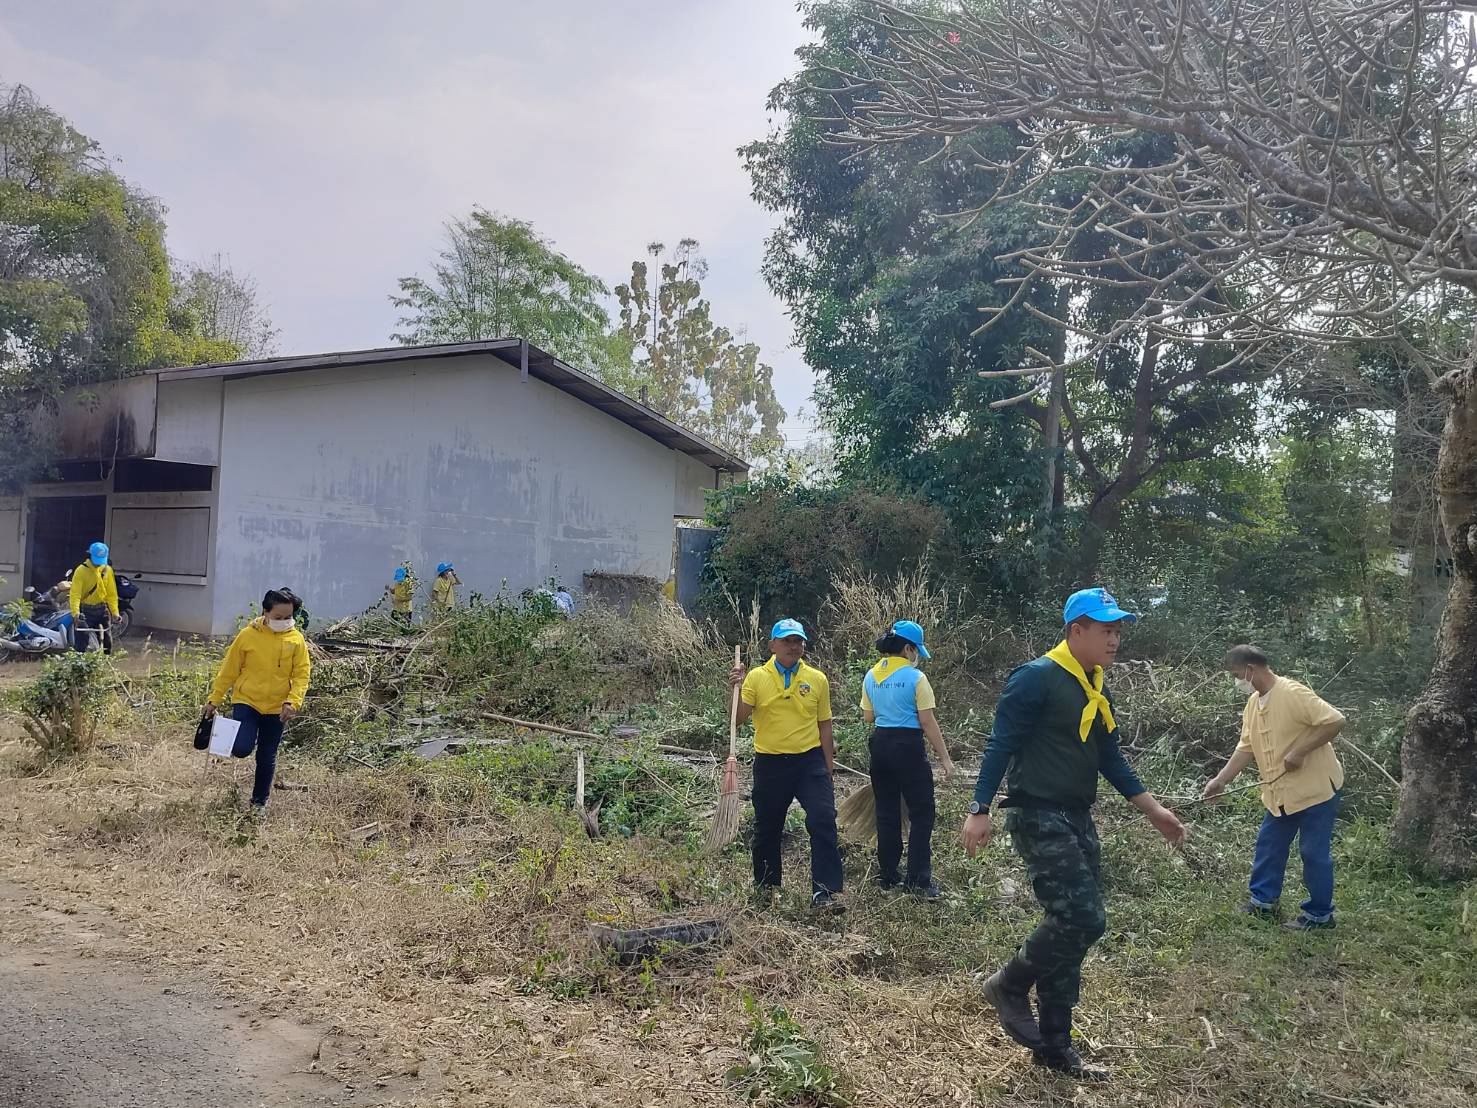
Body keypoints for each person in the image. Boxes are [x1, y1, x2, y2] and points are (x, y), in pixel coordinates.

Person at [961, 587, 1186, 1079]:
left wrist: (1154, 811)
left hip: (1078, 817)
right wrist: (980, 808)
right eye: (1106, 629)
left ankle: (1055, 1047)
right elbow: (1001, 745)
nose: (1115, 639)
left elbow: (1110, 758)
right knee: (1084, 917)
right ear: (1076, 630)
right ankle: (1008, 984)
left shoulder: (1094, 686)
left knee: (1068, 929)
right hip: (1038, 814)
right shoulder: (1036, 677)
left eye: (1118, 630)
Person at [1202, 644, 1346, 931]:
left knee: (1313, 852)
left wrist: (1300, 752)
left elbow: (1335, 720)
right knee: (1269, 845)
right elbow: (1245, 747)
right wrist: (1220, 781)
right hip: (1280, 793)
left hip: (1316, 790)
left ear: (1250, 669)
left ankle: (1319, 915)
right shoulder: (1253, 704)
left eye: (1237, 675)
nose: (1237, 682)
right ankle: (1263, 903)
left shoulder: (1292, 693)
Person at [730, 618, 843, 910]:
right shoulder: (757, 677)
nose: (794, 646)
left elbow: (825, 724)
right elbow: (738, 718)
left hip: (809, 761)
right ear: (772, 645)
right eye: (787, 640)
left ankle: (824, 893)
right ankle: (766, 889)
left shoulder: (817, 679)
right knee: (767, 826)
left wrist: (828, 766)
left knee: (823, 818)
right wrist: (736, 688)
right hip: (770, 762)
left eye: (798, 641)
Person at [860, 619, 955, 898]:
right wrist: (946, 759)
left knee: (886, 812)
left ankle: (888, 875)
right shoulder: (916, 678)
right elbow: (927, 721)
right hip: (908, 747)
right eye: (916, 650)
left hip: (880, 745)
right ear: (907, 648)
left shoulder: (871, 675)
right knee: (922, 813)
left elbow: (868, 717)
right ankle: (918, 881)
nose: (916, 656)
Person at [204, 588, 312, 814]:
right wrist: (215, 699)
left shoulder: (296, 640)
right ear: (265, 612)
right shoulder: (247, 636)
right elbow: (229, 670)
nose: (284, 622)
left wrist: (293, 702)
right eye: (278, 617)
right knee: (242, 748)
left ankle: (259, 803)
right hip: (247, 701)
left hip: (277, 708)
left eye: (288, 617)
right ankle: (225, 735)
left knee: (266, 756)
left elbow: (302, 675)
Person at [69, 541, 118, 655]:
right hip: (85, 610)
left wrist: (115, 613)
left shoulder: (107, 570)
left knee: (107, 642)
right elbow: (75, 594)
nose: (98, 564)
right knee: (82, 642)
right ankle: (79, 663)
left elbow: (111, 594)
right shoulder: (81, 571)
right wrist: (76, 614)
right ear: (90, 555)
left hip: (102, 609)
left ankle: (105, 662)